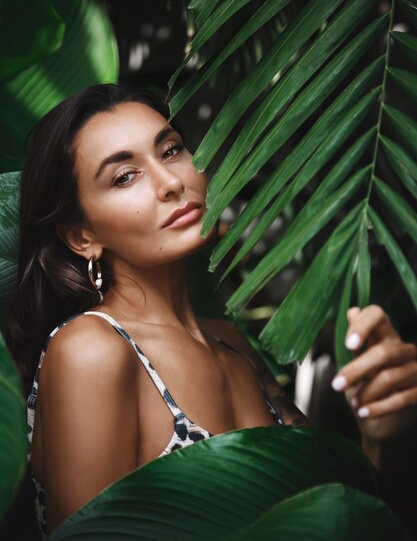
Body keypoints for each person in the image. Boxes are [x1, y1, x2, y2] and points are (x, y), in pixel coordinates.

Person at [6, 84, 417, 538]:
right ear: (81, 237)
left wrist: (382, 440)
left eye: (171, 149)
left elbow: (333, 517)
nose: (170, 183)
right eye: (125, 176)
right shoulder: (92, 350)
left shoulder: (230, 341)